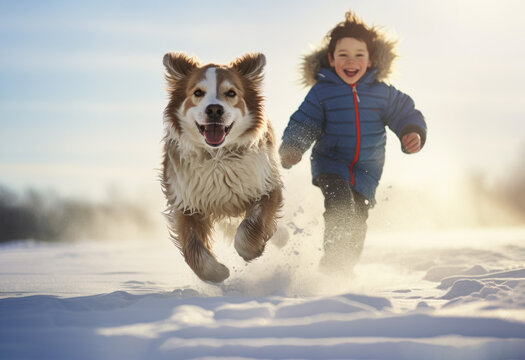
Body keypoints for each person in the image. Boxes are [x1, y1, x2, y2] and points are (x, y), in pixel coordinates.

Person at [279, 11, 427, 274]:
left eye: (359, 54)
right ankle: (332, 264)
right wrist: (293, 147)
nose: (351, 61)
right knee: (340, 205)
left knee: (358, 223)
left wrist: (411, 131)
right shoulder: (322, 92)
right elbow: (305, 122)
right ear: (331, 58)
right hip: (331, 165)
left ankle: (342, 271)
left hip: (366, 173)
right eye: (343, 54)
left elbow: (405, 112)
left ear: (370, 59)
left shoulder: (383, 93)